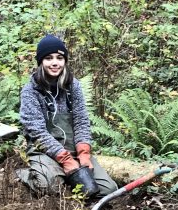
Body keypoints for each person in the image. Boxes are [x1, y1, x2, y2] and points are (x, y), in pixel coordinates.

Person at [18, 35, 117, 198]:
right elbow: (37, 132)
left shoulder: (73, 86)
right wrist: (65, 160)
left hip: (73, 147)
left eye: (60, 58)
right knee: (48, 187)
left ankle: (68, 179)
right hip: (44, 150)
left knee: (107, 190)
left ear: (65, 61)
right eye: (49, 58)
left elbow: (81, 121)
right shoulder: (30, 91)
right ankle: (28, 174)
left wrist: (84, 153)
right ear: (41, 62)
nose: (55, 63)